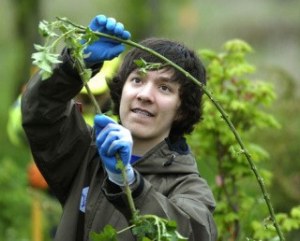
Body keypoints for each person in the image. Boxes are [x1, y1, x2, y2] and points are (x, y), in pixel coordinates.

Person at [21, 14, 217, 241]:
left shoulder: (188, 187)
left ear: (182, 110)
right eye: (137, 80)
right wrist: (75, 63)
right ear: (121, 89)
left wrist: (128, 183)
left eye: (164, 88)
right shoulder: (86, 154)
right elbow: (40, 111)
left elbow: (192, 233)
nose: (145, 95)